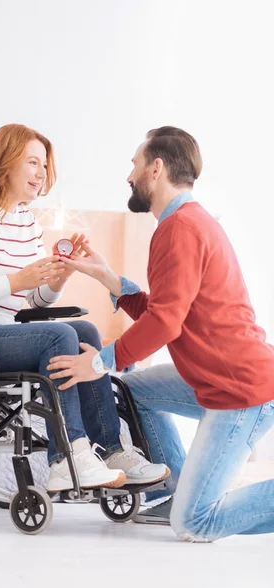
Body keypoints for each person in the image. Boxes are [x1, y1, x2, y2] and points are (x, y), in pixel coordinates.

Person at [48, 125, 274, 541]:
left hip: (241, 390)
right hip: (213, 377)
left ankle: (186, 505)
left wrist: (98, 363)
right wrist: (110, 279)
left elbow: (165, 323)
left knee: (193, 523)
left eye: (134, 164)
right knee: (132, 391)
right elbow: (169, 310)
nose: (129, 175)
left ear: (157, 167)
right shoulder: (185, 222)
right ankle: (177, 488)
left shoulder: (181, 227)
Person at [0, 123, 169, 493]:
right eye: (33, 163)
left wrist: (58, 277)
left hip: (2, 330)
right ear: (5, 163)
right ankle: (66, 457)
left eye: (45, 165)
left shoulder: (26, 223)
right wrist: (17, 280)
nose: (42, 174)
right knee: (59, 335)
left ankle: (113, 450)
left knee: (84, 332)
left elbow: (32, 304)